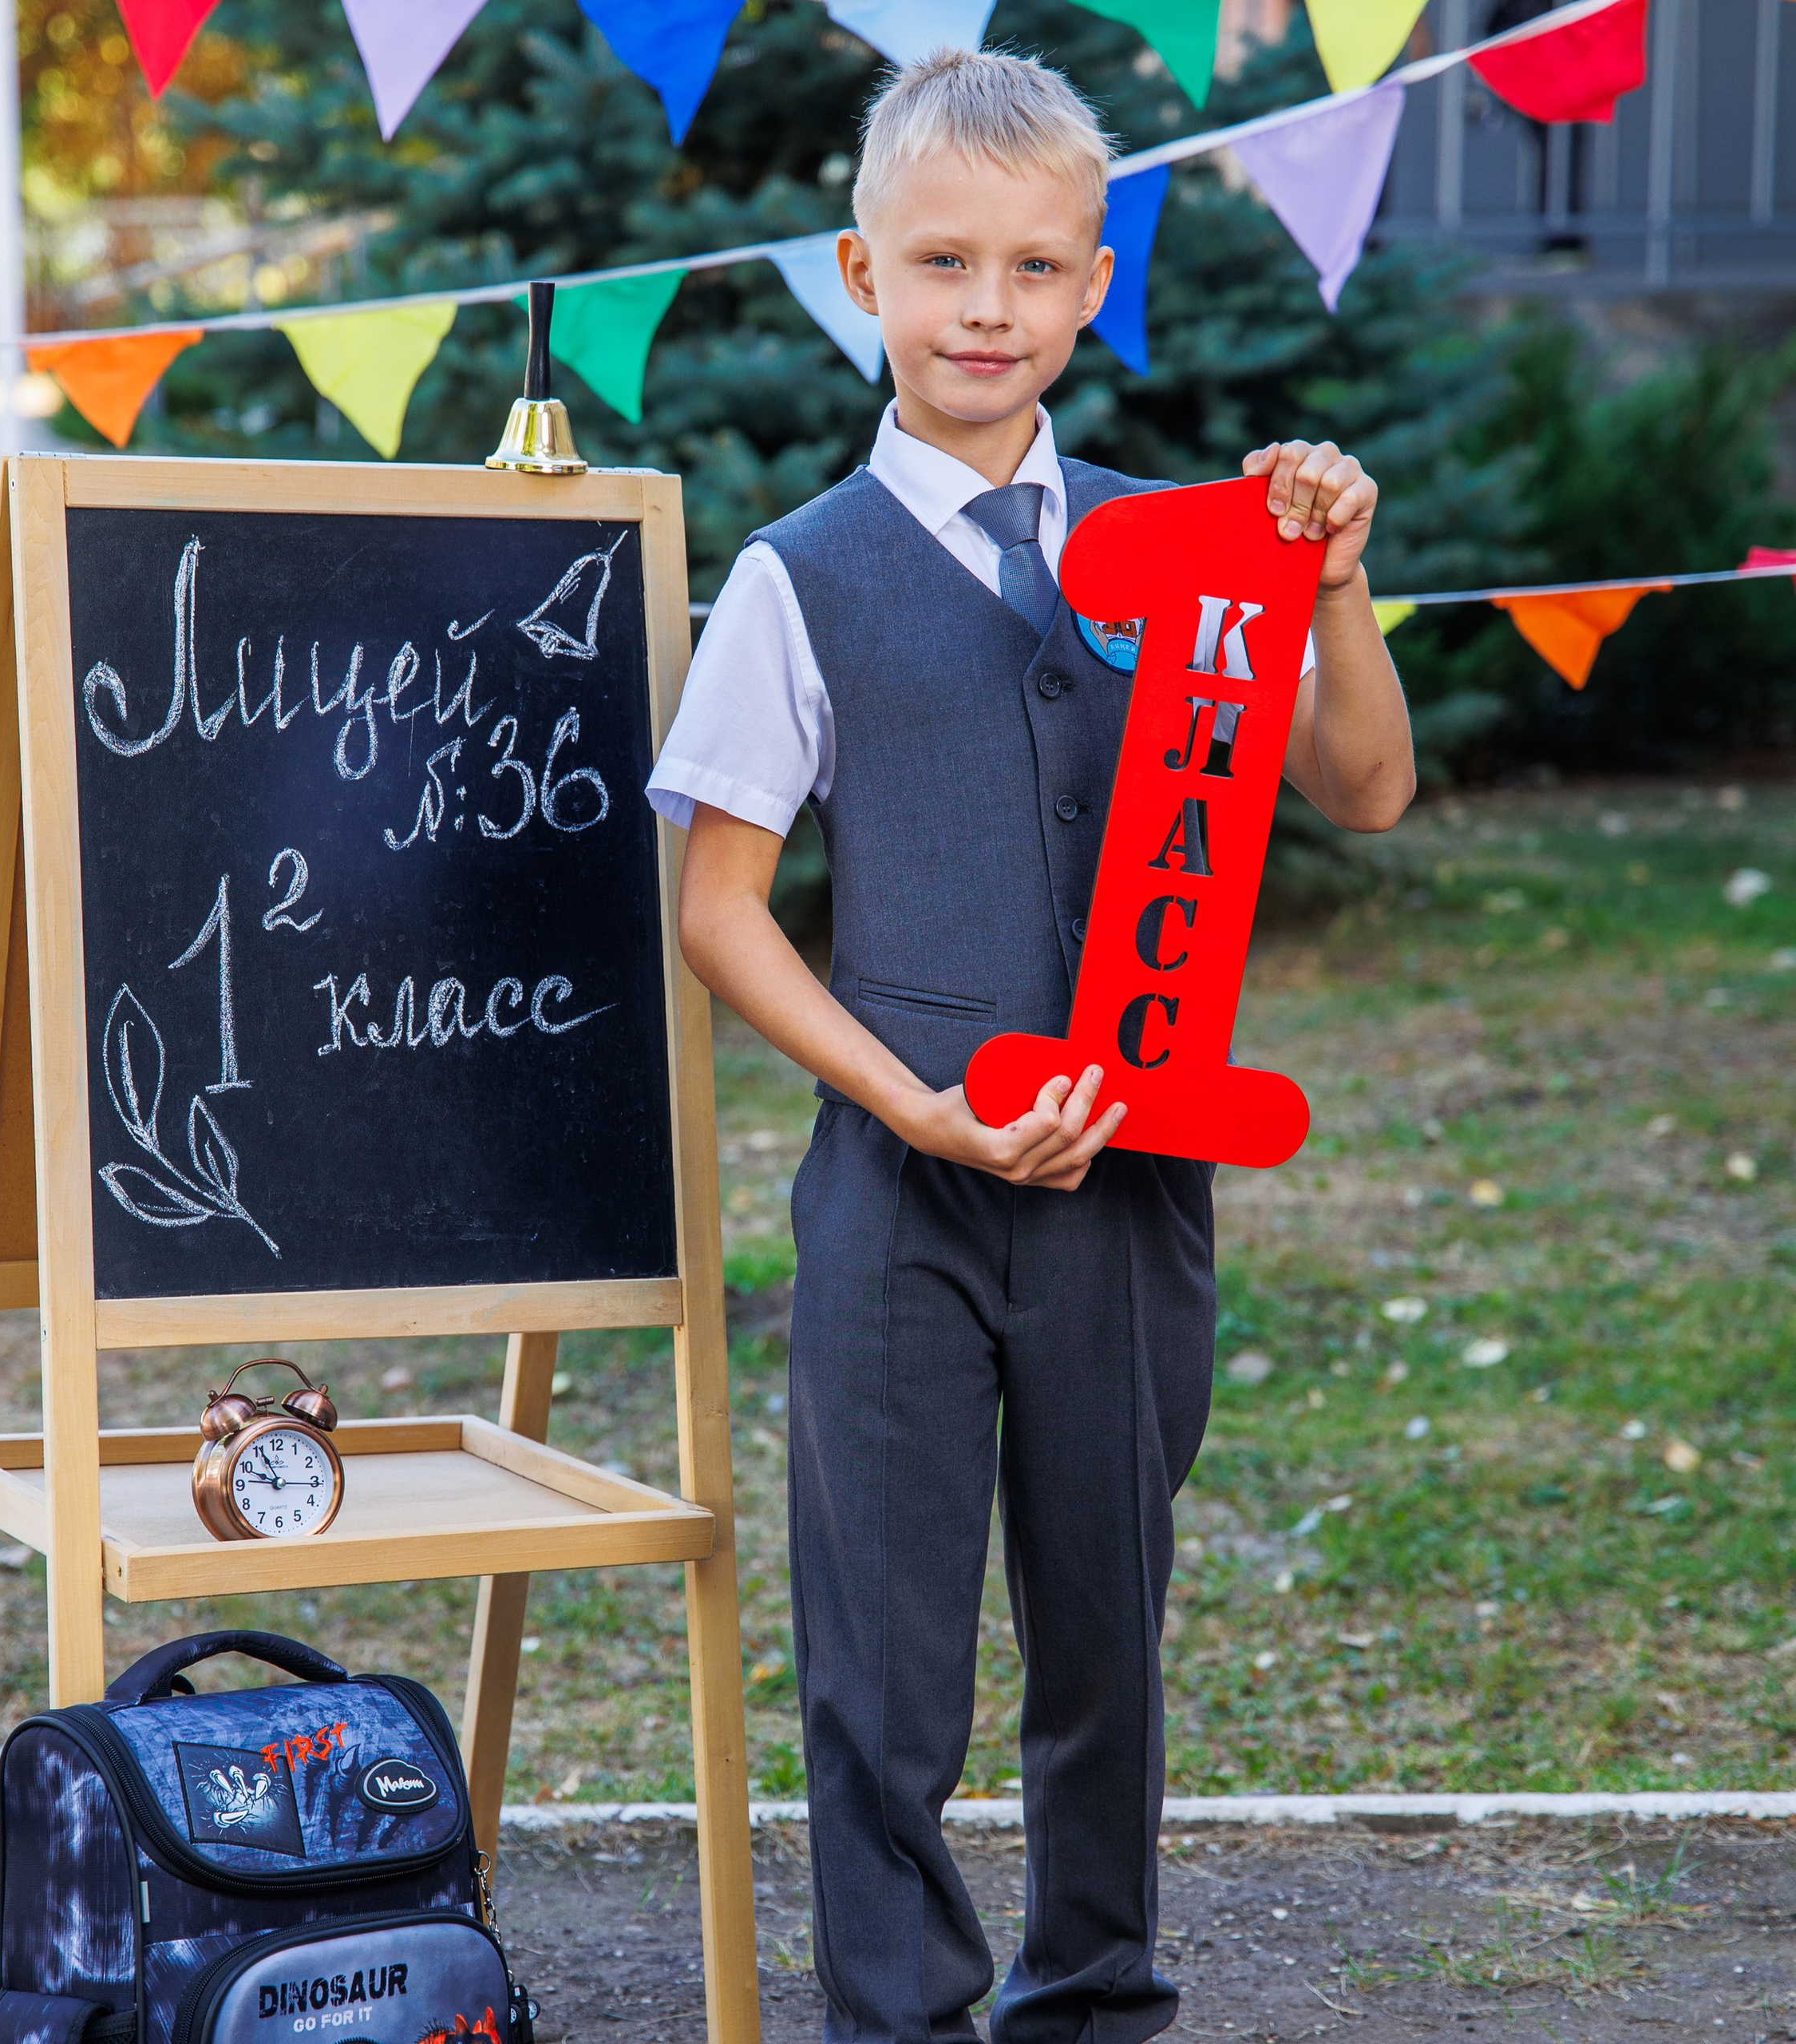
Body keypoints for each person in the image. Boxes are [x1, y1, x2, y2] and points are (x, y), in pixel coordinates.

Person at [647, 49, 1414, 2044]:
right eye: (940, 263)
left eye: (1030, 267)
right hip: (897, 1191)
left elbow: (1362, 789)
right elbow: (716, 909)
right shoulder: (795, 577)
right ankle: (895, 2014)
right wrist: (913, 1107)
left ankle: (1091, 1994)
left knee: (1103, 1633)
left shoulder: (1204, 551)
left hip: (1132, 1198)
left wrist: (1331, 592)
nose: (983, 308)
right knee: (882, 1666)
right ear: (860, 275)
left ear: (1090, 283)